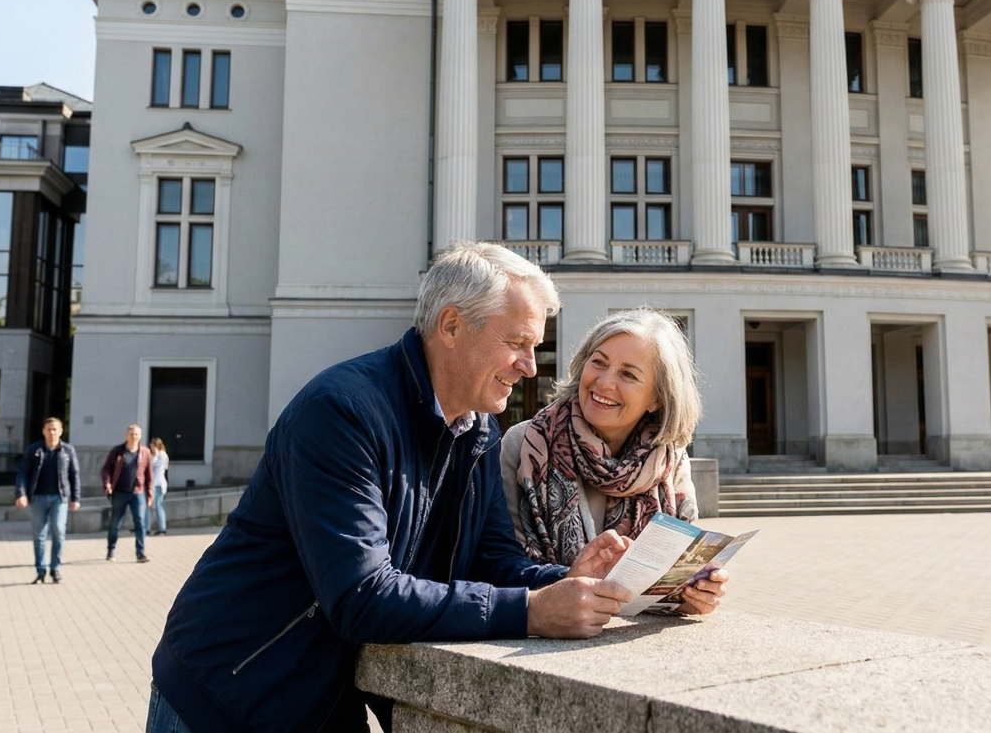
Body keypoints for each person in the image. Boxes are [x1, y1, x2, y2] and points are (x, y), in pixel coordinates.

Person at [147, 243, 635, 733]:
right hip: (225, 697)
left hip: (322, 697)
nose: (529, 366)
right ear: (451, 326)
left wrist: (567, 581)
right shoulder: (342, 412)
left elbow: (490, 561)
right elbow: (362, 595)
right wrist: (531, 612)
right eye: (517, 342)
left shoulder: (479, 428)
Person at [502, 308, 728, 616]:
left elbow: (677, 572)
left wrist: (692, 595)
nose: (604, 382)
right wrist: (564, 583)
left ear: (657, 398)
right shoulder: (524, 444)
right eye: (598, 362)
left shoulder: (670, 459)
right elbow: (501, 563)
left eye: (628, 375)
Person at [15, 418, 81, 584]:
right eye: (49, 429)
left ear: (61, 431)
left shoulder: (68, 451)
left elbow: (74, 475)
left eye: (55, 429)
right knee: (39, 535)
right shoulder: (34, 450)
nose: (52, 432)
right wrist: (21, 494)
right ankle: (40, 570)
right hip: (38, 497)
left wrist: (76, 498)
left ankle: (55, 568)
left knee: (58, 530)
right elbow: (22, 473)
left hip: (60, 497)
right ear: (43, 431)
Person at [102, 424, 154, 563]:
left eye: (136, 434)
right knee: (115, 522)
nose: (133, 436)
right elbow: (106, 469)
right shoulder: (118, 451)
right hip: (120, 492)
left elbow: (149, 475)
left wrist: (150, 494)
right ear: (126, 435)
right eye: (131, 434)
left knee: (140, 522)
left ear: (140, 436)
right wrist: (107, 484)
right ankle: (111, 549)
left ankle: (140, 553)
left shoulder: (145, 452)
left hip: (138, 492)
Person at [148, 437, 169, 535]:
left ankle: (162, 528)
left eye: (153, 446)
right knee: (149, 506)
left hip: (158, 484)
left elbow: (153, 464)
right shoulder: (156, 455)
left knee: (158, 505)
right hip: (153, 483)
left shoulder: (162, 455)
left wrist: (155, 454)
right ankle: (147, 528)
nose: (151, 448)